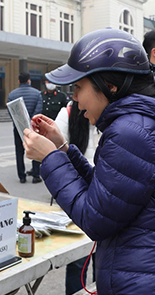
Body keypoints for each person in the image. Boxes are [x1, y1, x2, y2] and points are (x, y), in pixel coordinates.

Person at [23, 28, 155, 294]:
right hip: (154, 278)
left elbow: (95, 219)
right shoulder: (137, 124)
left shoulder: (130, 132)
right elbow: (109, 194)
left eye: (78, 87)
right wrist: (62, 148)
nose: (74, 97)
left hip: (151, 284)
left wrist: (49, 159)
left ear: (110, 86)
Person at [55, 101, 101, 295]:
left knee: (102, 259)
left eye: (80, 87)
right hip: (79, 192)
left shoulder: (116, 119)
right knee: (78, 260)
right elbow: (58, 155)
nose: (75, 95)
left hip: (102, 191)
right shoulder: (67, 113)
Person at [7, 72, 43, 183]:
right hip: (33, 128)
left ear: (19, 81)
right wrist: (30, 123)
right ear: (29, 80)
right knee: (35, 149)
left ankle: (21, 176)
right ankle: (36, 175)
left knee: (19, 152)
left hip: (18, 128)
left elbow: (11, 111)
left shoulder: (12, 95)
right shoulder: (37, 94)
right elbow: (39, 110)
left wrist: (20, 122)